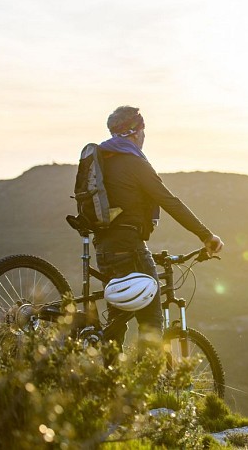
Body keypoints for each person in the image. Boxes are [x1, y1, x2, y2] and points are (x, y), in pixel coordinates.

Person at [93, 105, 223, 349]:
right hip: (129, 248)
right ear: (136, 132)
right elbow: (169, 201)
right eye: (143, 130)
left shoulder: (103, 163)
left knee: (116, 322)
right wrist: (206, 236)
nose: (144, 137)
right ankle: (143, 382)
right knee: (151, 322)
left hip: (104, 249)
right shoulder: (134, 163)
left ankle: (107, 380)